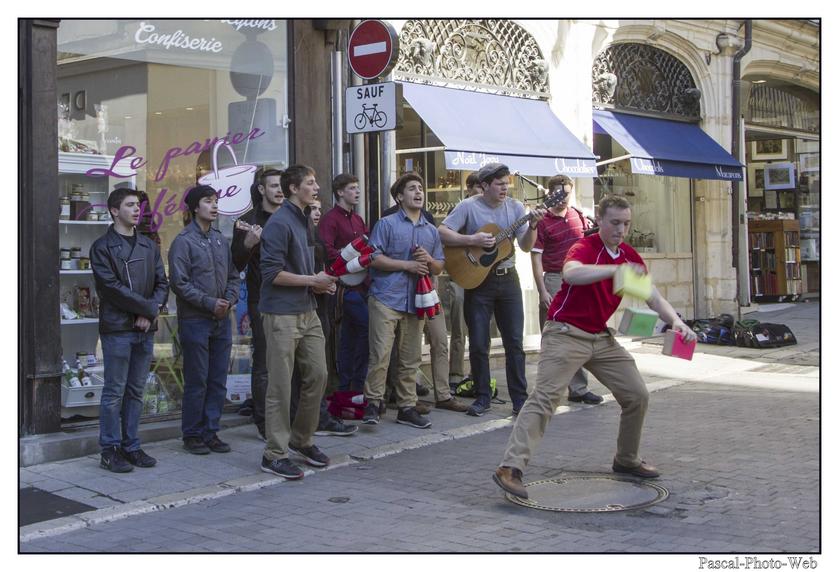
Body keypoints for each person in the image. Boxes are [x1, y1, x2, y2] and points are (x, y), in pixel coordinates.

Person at [493, 195, 698, 498]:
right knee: (545, 398)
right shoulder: (586, 247)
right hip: (565, 333)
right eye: (614, 222)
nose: (621, 229)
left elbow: (652, 296)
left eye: (626, 223)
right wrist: (614, 271)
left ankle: (626, 459)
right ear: (599, 220)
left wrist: (677, 322)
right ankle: (510, 468)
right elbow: (571, 273)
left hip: (600, 338)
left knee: (637, 395)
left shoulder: (627, 255)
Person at [439, 163, 546, 417]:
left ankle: (519, 399)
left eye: (506, 183)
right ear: (485, 185)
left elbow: (526, 246)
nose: (505, 188)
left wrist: (533, 226)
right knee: (478, 343)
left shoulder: (516, 208)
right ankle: (483, 397)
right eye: (499, 184)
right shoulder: (468, 206)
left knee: (514, 342)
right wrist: (472, 239)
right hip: (478, 282)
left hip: (508, 280)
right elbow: (441, 232)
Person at [258, 165, 338, 480]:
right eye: (310, 183)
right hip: (281, 313)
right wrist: (313, 281)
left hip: (307, 309)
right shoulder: (279, 223)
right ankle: (273, 454)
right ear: (293, 188)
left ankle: (301, 440)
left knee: (319, 374)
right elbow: (271, 274)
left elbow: (304, 268)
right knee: (280, 385)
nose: (316, 187)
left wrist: (320, 283)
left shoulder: (304, 219)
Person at [90, 187, 169, 472]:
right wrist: (146, 309)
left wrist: (149, 312)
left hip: (144, 329)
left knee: (136, 389)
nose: (137, 210)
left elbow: (162, 283)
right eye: (130, 205)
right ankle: (109, 449)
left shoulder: (148, 245)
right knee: (114, 391)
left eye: (138, 205)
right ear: (114, 210)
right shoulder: (102, 247)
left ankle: (131, 446)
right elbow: (111, 288)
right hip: (117, 328)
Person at [361, 172, 446, 428]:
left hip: (416, 301)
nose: (418, 192)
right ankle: (373, 403)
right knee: (380, 354)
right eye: (412, 188)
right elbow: (372, 257)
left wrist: (428, 260)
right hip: (386, 297)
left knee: (411, 358)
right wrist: (407, 265)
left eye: (420, 188)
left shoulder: (431, 230)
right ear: (399, 197)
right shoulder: (386, 224)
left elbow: (439, 266)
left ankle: (407, 407)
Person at [169, 185, 240, 455]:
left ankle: (211, 431)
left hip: (222, 319)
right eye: (208, 201)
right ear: (195, 207)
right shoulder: (183, 241)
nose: (214, 206)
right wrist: (210, 303)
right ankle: (192, 434)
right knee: (197, 379)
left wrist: (229, 300)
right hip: (195, 320)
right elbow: (179, 283)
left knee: (218, 379)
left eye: (215, 201)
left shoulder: (220, 240)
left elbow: (233, 276)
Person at [289, 197, 357, 436]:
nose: (317, 213)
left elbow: (327, 268)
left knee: (319, 369)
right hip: (297, 307)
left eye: (319, 209)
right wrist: (314, 283)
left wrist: (329, 282)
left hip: (320, 306)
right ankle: (305, 421)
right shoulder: (293, 232)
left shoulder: (316, 235)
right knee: (302, 370)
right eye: (312, 209)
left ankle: (318, 417)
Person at [531, 174, 602, 405]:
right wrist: (542, 290)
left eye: (567, 194)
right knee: (554, 337)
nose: (563, 199)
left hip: (579, 279)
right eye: (559, 194)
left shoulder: (578, 216)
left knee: (579, 334)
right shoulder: (542, 221)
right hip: (554, 279)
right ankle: (547, 389)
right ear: (550, 193)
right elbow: (536, 258)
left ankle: (578, 389)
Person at [231, 168, 284, 441]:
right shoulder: (247, 222)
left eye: (282, 185)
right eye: (274, 185)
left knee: (291, 361)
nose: (280, 190)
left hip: (294, 297)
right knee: (263, 362)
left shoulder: (292, 216)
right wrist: (248, 244)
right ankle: (263, 423)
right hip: (261, 299)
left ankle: (289, 417)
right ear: (262, 189)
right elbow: (236, 263)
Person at [318, 173, 369, 394]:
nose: (357, 192)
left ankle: (348, 389)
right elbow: (326, 251)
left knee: (350, 336)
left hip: (361, 285)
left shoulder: (358, 219)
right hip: (342, 287)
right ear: (340, 192)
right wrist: (349, 256)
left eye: (357, 188)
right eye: (352, 188)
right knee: (365, 330)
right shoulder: (330, 219)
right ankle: (354, 386)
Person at [447, 172, 481, 387]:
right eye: (478, 188)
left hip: (481, 276)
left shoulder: (490, 211)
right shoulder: (458, 210)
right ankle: (455, 375)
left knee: (480, 330)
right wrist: (471, 241)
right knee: (459, 328)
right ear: (469, 189)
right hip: (460, 275)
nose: (481, 192)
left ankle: (478, 375)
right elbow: (446, 240)